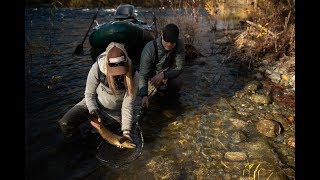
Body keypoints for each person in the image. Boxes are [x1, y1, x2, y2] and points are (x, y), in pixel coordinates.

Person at [58, 42, 137, 147]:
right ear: (107, 65)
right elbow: (89, 94)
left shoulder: (134, 75)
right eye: (115, 71)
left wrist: (126, 132)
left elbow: (128, 105)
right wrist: (93, 112)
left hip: (115, 111)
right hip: (94, 103)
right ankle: (77, 147)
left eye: (121, 71)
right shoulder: (97, 67)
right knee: (65, 123)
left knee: (110, 140)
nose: (118, 75)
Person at [138, 23, 185, 108]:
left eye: (172, 42)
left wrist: (163, 75)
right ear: (162, 36)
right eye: (167, 41)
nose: (169, 45)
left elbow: (180, 68)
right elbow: (142, 75)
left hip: (167, 73)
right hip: (151, 76)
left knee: (177, 82)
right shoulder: (149, 49)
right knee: (149, 98)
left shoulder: (180, 44)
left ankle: (169, 99)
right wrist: (144, 95)